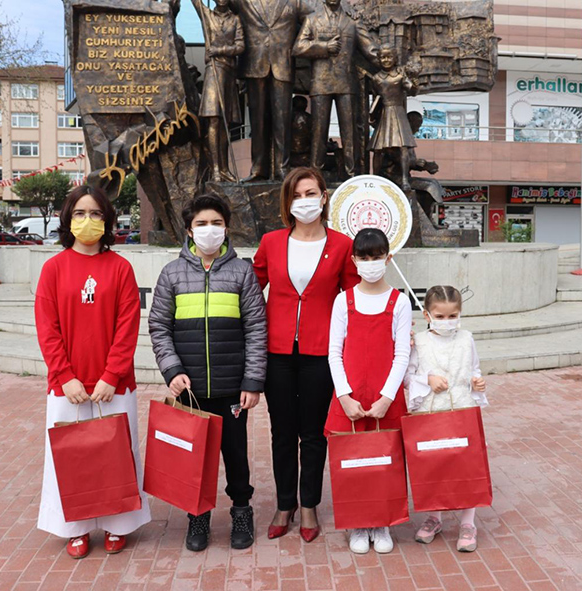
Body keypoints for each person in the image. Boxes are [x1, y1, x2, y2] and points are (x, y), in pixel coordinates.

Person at [35, 185, 150, 559]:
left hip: (113, 385)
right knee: (71, 459)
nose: (88, 220)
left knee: (116, 455)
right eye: (80, 213)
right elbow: (47, 328)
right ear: (68, 219)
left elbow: (127, 326)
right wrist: (65, 376)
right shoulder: (53, 269)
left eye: (96, 213)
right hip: (67, 386)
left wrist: (112, 375)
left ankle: (119, 523)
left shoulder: (120, 268)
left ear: (108, 220)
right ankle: (76, 528)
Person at [148, 194, 267, 552]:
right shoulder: (172, 273)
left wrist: (252, 381)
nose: (209, 230)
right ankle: (197, 515)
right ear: (189, 230)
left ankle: (241, 511)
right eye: (201, 224)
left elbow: (256, 328)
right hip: (191, 389)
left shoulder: (242, 272)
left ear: (226, 227)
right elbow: (159, 326)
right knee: (194, 456)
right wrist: (172, 370)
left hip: (232, 389)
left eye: (216, 222)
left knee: (236, 455)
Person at [253, 166, 359, 543]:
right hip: (277, 352)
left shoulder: (342, 245)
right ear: (287, 202)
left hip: (321, 352)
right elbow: (251, 291)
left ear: (324, 197)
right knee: (282, 432)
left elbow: (354, 298)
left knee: (313, 434)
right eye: (296, 196)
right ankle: (285, 504)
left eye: (310, 193)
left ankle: (310, 504)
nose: (304, 202)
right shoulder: (271, 242)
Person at [325, 228, 411, 555]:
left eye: (376, 257)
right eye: (364, 257)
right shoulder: (343, 300)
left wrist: (387, 397)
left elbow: (402, 354)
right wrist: (344, 396)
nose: (370, 263)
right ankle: (358, 522)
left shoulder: (399, 301)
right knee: (353, 461)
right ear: (354, 260)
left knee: (386, 460)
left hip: (384, 397)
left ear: (388, 259)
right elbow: (334, 352)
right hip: (350, 398)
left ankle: (382, 521)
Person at [404, 285, 488, 551]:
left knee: (466, 464)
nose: (447, 321)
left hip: (462, 407)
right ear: (427, 315)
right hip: (430, 410)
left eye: (453, 316)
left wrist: (477, 382)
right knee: (433, 463)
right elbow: (408, 376)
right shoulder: (420, 341)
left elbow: (474, 368)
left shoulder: (466, 339)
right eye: (440, 316)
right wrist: (427, 379)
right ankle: (434, 516)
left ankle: (468, 522)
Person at [293, 0, 378, 178]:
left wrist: (391, 66)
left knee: (350, 132)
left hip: (346, 83)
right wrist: (324, 47)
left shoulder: (352, 22)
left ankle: (352, 175)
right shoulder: (312, 19)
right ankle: (316, 173)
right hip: (321, 82)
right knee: (318, 132)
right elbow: (298, 48)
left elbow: (370, 50)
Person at [230, 0, 311, 181]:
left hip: (283, 63)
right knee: (257, 121)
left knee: (282, 120)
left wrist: (300, 41)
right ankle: (258, 168)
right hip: (254, 63)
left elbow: (314, 17)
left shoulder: (294, 1)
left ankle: (282, 167)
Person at [190, 0, 244, 182]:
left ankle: (224, 168)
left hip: (229, 72)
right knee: (214, 119)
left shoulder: (235, 20)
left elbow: (240, 46)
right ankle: (215, 168)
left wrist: (219, 49)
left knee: (225, 123)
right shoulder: (207, 15)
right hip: (213, 71)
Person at [369, 44, 418, 192]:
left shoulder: (400, 76)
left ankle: (404, 178)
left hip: (398, 112)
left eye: (389, 57)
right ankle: (375, 177)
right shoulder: (376, 78)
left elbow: (412, 91)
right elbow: (376, 98)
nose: (386, 60)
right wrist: (373, 114)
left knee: (403, 147)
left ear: (395, 58)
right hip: (384, 113)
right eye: (383, 57)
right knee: (378, 148)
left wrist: (413, 78)